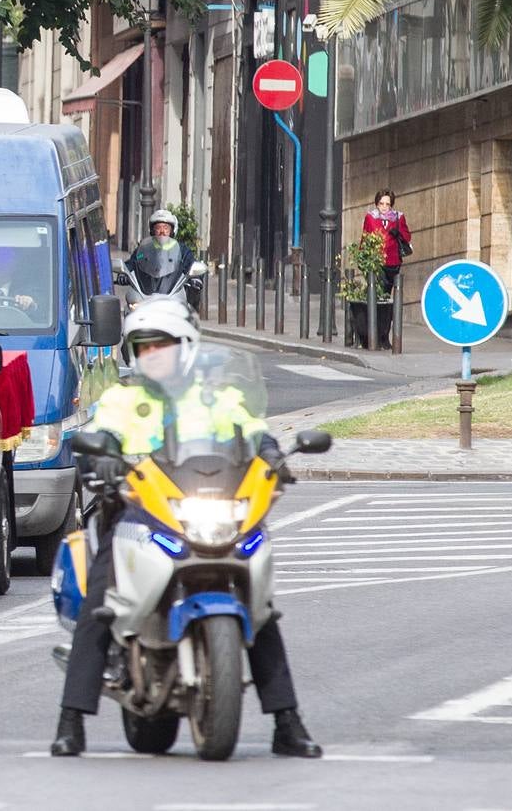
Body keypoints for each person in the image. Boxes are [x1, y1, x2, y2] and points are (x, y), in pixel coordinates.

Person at [50, 298, 321, 759]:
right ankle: (71, 721)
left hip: (208, 509)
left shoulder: (216, 397)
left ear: (188, 346)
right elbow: (99, 437)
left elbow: (252, 431)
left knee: (261, 609)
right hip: (135, 510)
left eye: (163, 344)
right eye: (143, 346)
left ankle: (287, 722)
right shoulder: (123, 399)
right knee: (102, 600)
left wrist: (274, 456)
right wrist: (100, 459)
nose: (152, 354)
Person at [362, 189, 410, 295]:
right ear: (377, 204)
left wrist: (398, 233)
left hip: (393, 261)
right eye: (381, 203)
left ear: (391, 205)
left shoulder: (398, 217)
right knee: (378, 290)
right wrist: (363, 259)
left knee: (387, 291)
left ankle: (387, 311)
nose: (384, 207)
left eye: (387, 204)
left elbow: (407, 237)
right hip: (376, 261)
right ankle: (379, 311)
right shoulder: (370, 217)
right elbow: (365, 238)